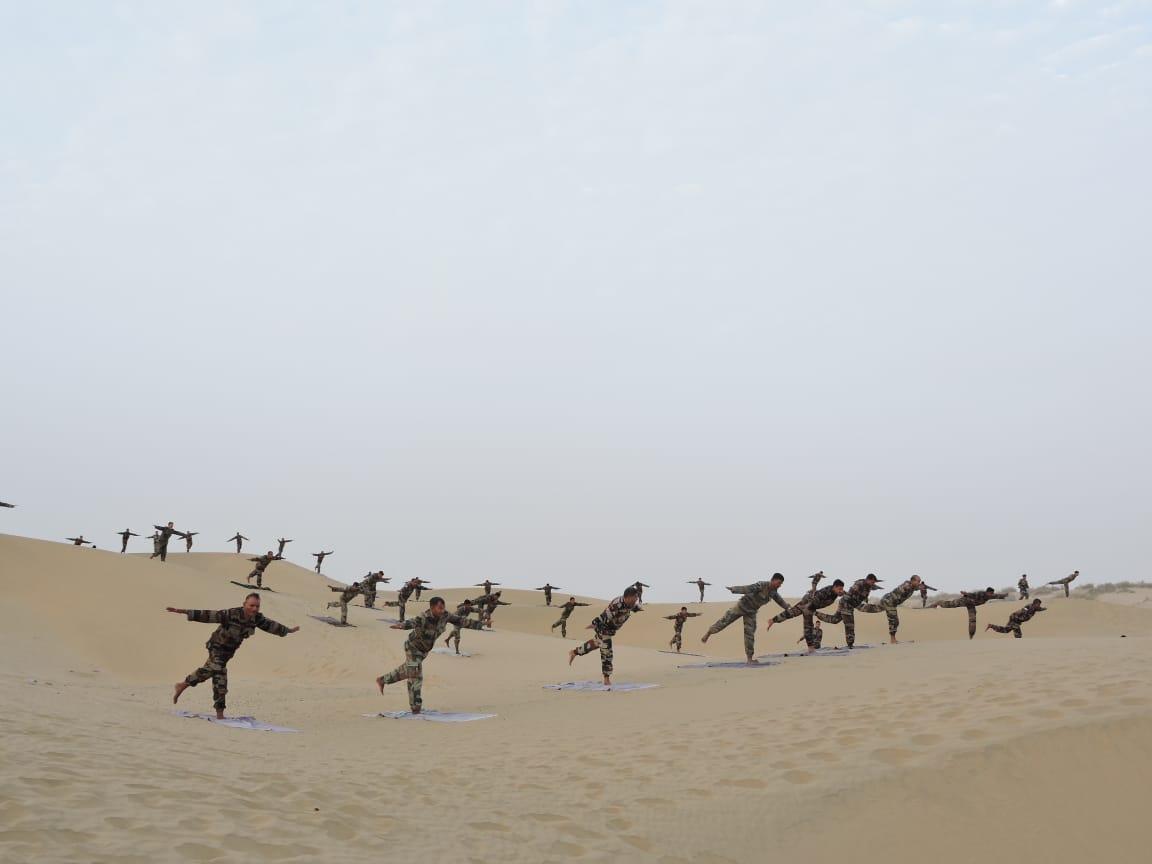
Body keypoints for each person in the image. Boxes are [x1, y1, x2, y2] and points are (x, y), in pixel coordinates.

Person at [168, 593, 299, 719]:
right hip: (216, 647)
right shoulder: (231, 614)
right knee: (218, 669)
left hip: (228, 653)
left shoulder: (257, 618)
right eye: (251, 605)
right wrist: (182, 611)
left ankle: (217, 712)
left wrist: (288, 630)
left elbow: (271, 626)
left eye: (257, 606)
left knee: (219, 677)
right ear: (244, 604)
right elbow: (208, 615)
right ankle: (185, 686)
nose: (254, 609)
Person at [377, 596, 485, 714]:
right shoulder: (424, 617)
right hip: (413, 648)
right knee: (416, 676)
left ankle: (382, 680)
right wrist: (402, 625)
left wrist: (481, 624)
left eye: (443, 608)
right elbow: (413, 621)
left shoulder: (445, 615)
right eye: (439, 608)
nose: (442, 610)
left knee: (409, 670)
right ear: (432, 608)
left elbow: (461, 621)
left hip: (424, 651)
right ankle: (416, 709)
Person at [700, 573, 789, 664]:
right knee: (724, 622)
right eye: (779, 583)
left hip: (751, 612)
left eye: (781, 584)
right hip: (741, 607)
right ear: (773, 580)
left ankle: (749, 659)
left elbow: (780, 600)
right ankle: (709, 632)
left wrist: (786, 607)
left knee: (750, 634)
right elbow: (748, 588)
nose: (780, 585)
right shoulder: (762, 585)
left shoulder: (773, 592)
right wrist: (734, 589)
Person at [567, 586, 641, 687]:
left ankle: (574, 652)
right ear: (628, 597)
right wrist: (594, 624)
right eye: (635, 597)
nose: (636, 599)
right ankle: (606, 679)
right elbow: (604, 616)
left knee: (595, 643)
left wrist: (638, 608)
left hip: (610, 630)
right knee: (607, 652)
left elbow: (634, 607)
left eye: (637, 597)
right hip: (604, 629)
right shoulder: (617, 604)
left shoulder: (630, 603)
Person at [765, 580, 846, 652]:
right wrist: (811, 610)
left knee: (792, 613)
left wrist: (843, 593)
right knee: (808, 626)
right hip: (809, 604)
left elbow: (843, 593)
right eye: (839, 589)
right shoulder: (826, 592)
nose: (841, 591)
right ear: (834, 587)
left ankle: (773, 620)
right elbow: (814, 600)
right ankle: (811, 648)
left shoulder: (834, 591)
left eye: (842, 589)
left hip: (809, 603)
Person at [814, 574, 882, 649]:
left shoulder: (868, 587)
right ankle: (850, 645)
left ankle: (816, 613)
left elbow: (864, 597)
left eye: (874, 583)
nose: (873, 584)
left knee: (835, 619)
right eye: (872, 582)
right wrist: (859, 606)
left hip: (847, 603)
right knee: (849, 624)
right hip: (847, 603)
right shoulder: (859, 584)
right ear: (868, 580)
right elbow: (850, 595)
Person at [858, 575, 923, 643]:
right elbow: (906, 588)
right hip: (889, 601)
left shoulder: (912, 586)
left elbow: (915, 587)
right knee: (894, 620)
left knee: (876, 609)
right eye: (918, 581)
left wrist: (919, 587)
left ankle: (860, 606)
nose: (919, 582)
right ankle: (893, 640)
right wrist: (918, 587)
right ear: (912, 581)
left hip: (889, 601)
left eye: (920, 581)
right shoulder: (907, 585)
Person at [930, 587, 999, 639]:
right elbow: (973, 595)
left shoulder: (987, 597)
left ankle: (971, 636)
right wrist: (966, 594)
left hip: (971, 605)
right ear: (987, 592)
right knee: (950, 604)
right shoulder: (981, 594)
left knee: (973, 620)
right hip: (965, 601)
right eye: (991, 593)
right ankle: (937, 603)